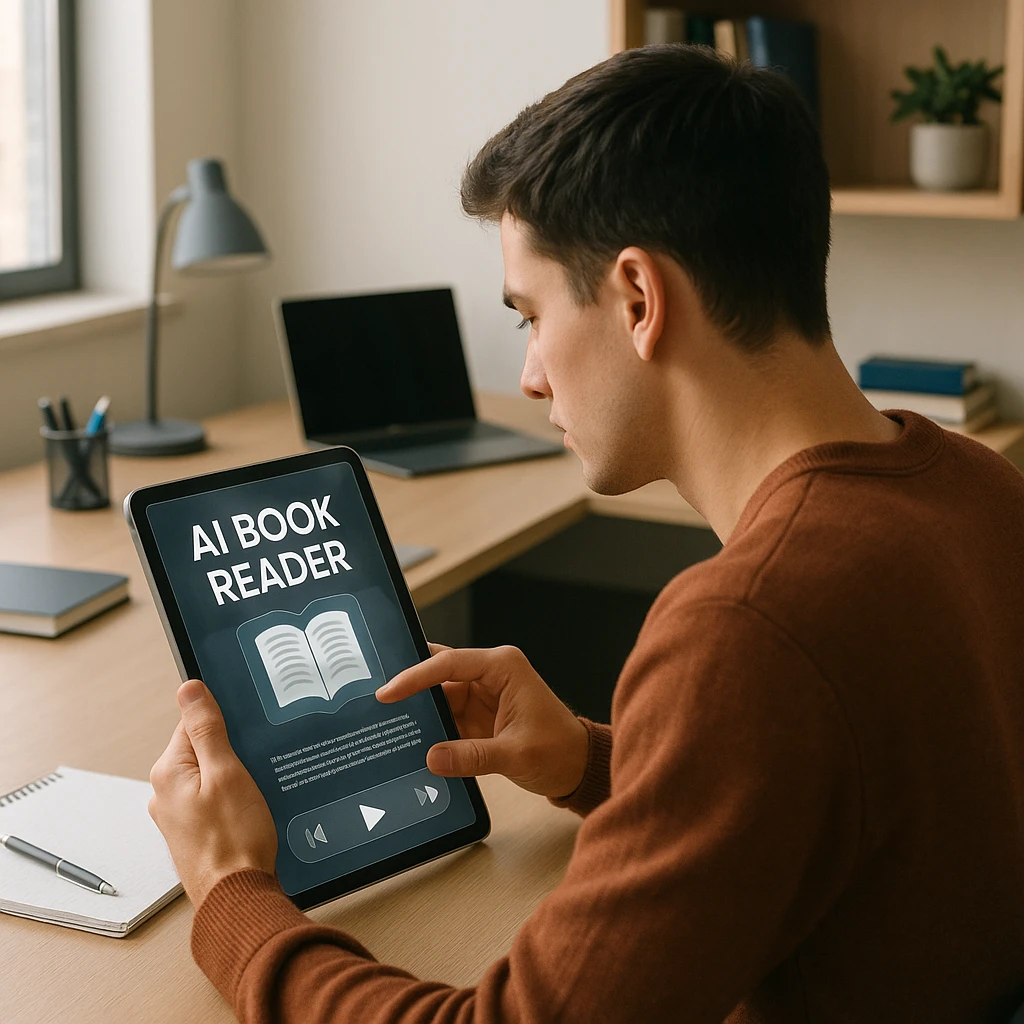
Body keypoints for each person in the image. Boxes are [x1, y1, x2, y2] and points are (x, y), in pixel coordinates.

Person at [148, 44, 1024, 1023]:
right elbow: (849, 809)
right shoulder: (978, 486)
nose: (528, 375)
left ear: (639, 299)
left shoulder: (746, 627)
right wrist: (595, 762)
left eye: (527, 314)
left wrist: (232, 894)